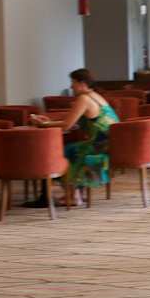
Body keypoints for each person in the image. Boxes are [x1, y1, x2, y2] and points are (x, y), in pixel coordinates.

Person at [26, 68, 115, 208]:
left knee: (65, 152)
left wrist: (43, 124)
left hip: (99, 145)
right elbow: (73, 120)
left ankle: (71, 196)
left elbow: (67, 125)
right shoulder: (95, 96)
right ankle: (75, 194)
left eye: (73, 82)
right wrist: (48, 121)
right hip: (109, 143)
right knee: (72, 148)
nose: (71, 86)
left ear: (82, 83)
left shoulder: (84, 99)